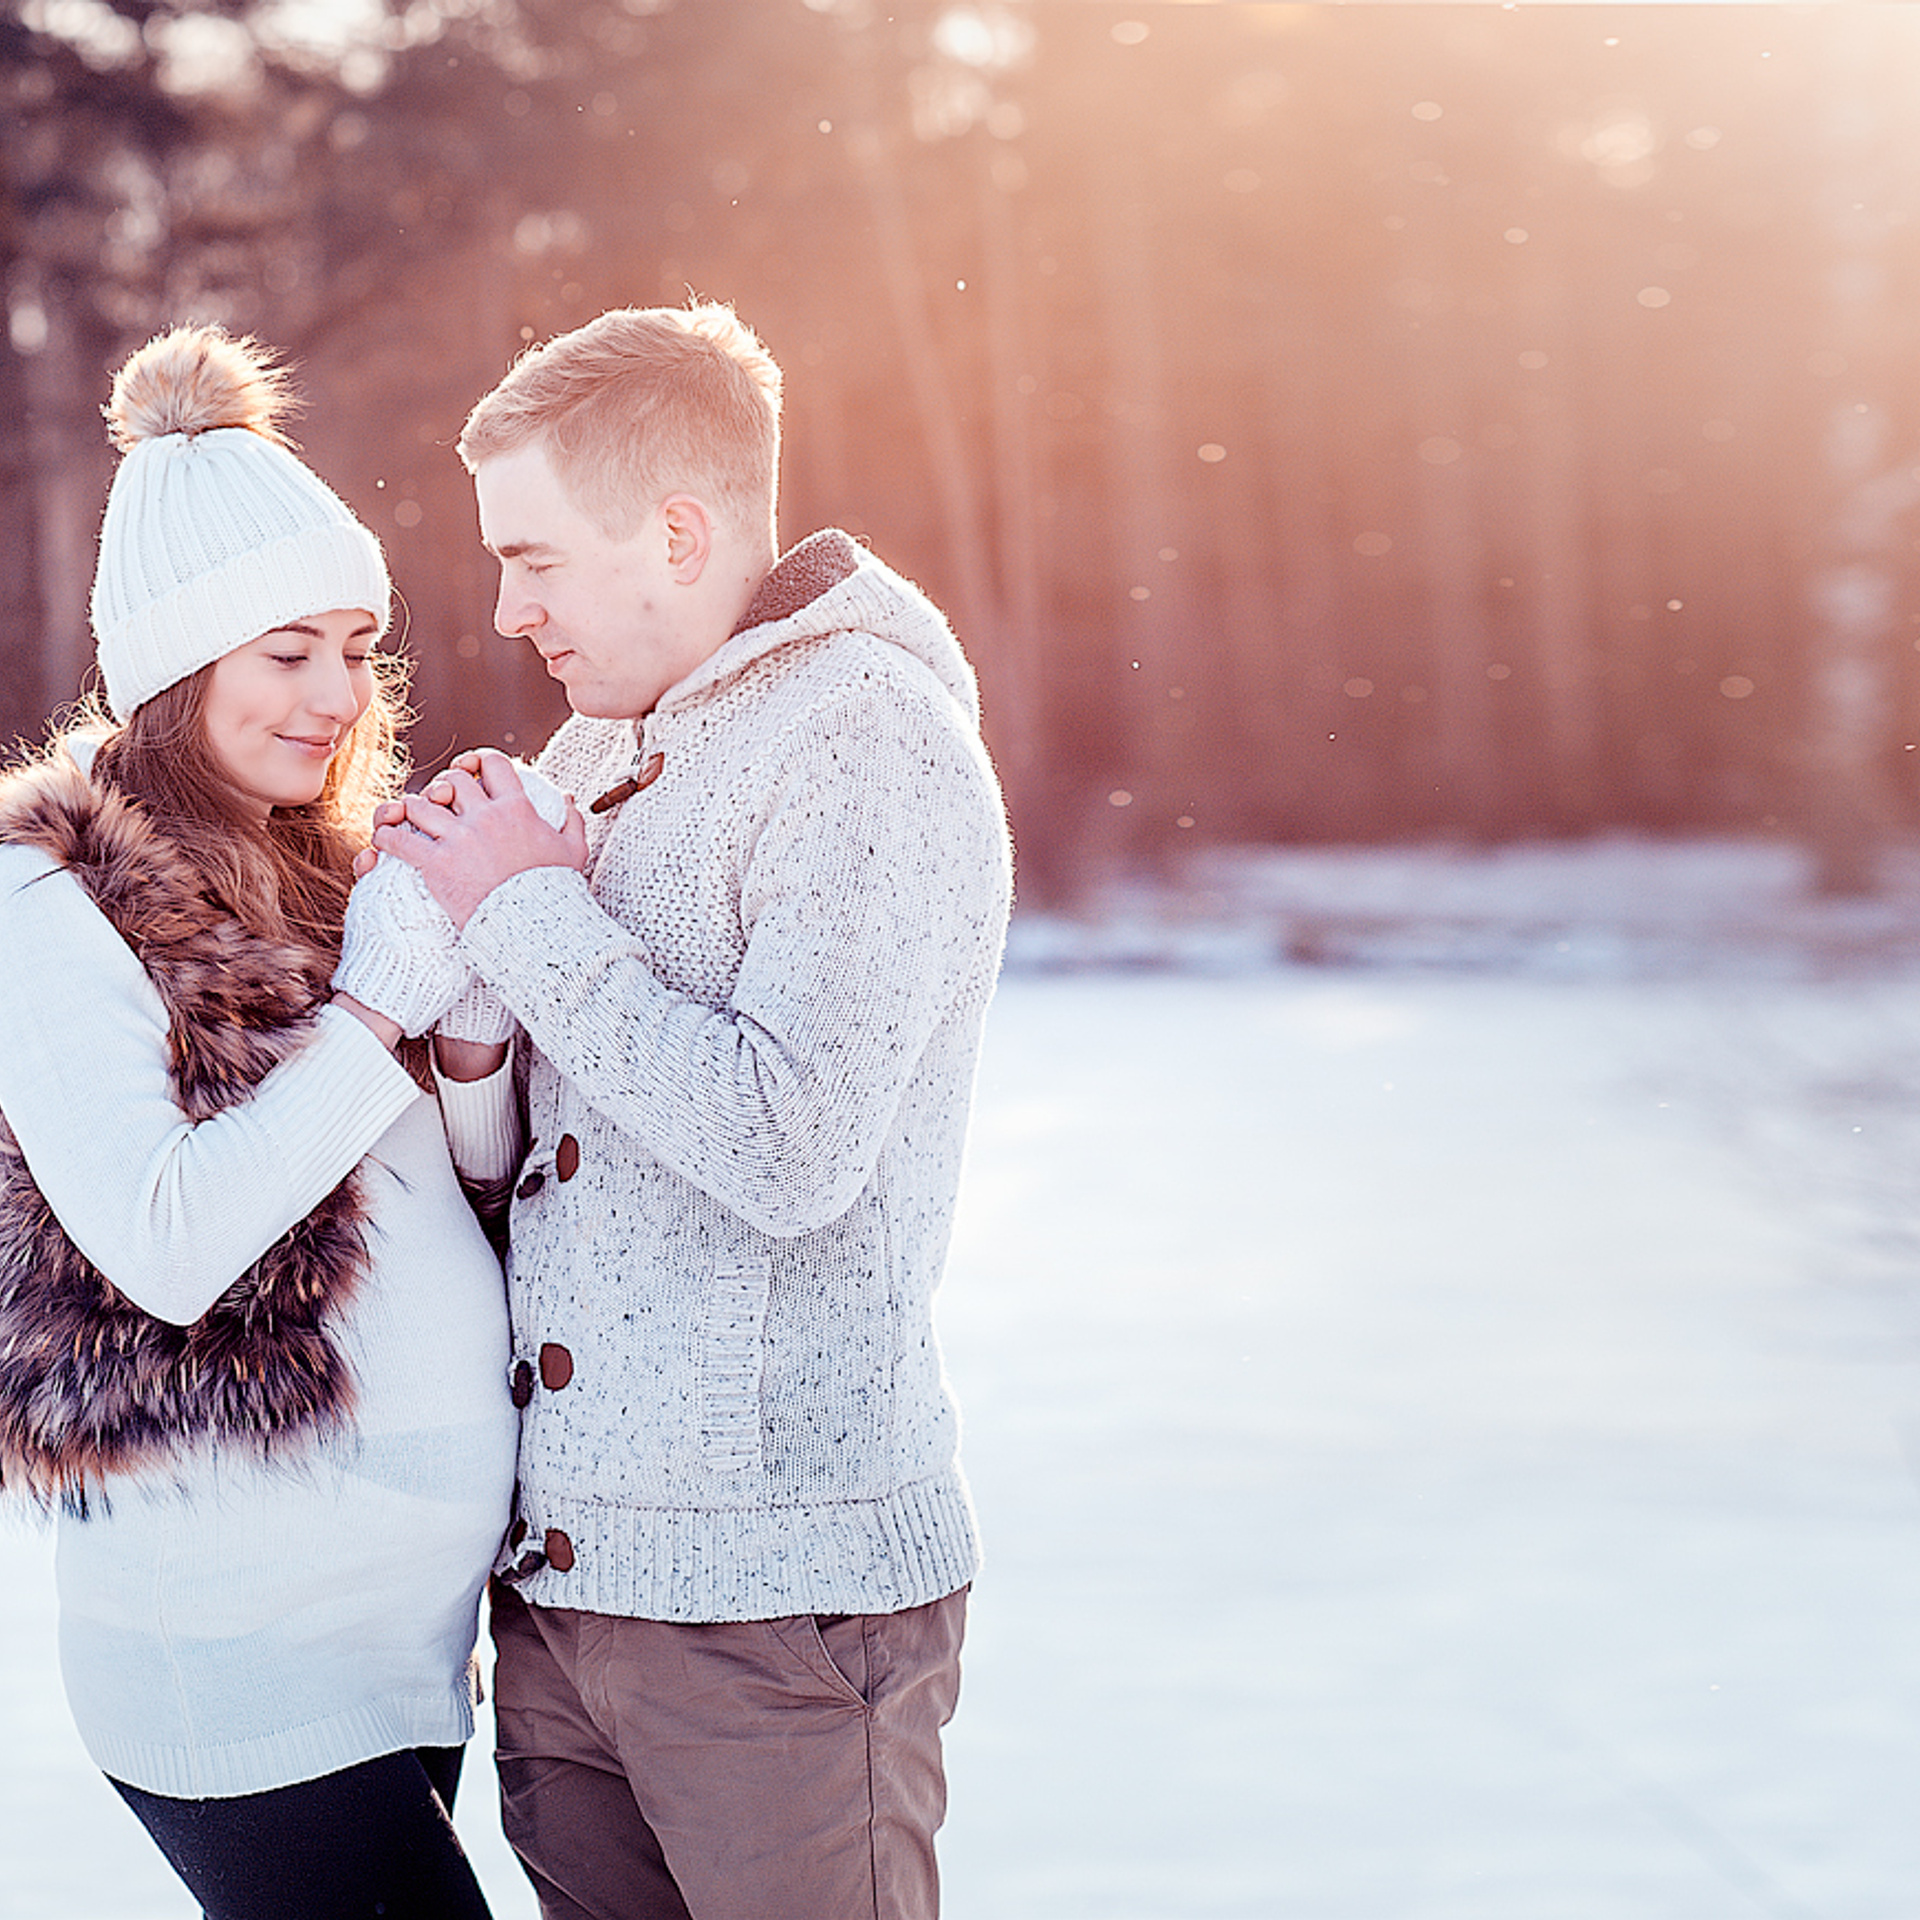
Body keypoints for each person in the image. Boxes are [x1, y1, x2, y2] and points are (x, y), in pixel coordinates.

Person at [340, 301, 1014, 1919]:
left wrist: (527, 916)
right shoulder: (601, 750)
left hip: (780, 1616)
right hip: (566, 1601)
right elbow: (542, 1180)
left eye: (536, 560)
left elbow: (789, 1145)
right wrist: (471, 1011)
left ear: (679, 531)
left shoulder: (867, 742)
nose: (509, 612)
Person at [0, 325, 520, 1920]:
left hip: (410, 1639)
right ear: (179, 666)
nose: (338, 696)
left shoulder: (334, 874)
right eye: (287, 652)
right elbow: (167, 1241)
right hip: (237, 1647)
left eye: (356, 648)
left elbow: (457, 1204)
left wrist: (472, 1039)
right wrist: (377, 1009)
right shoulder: (45, 903)